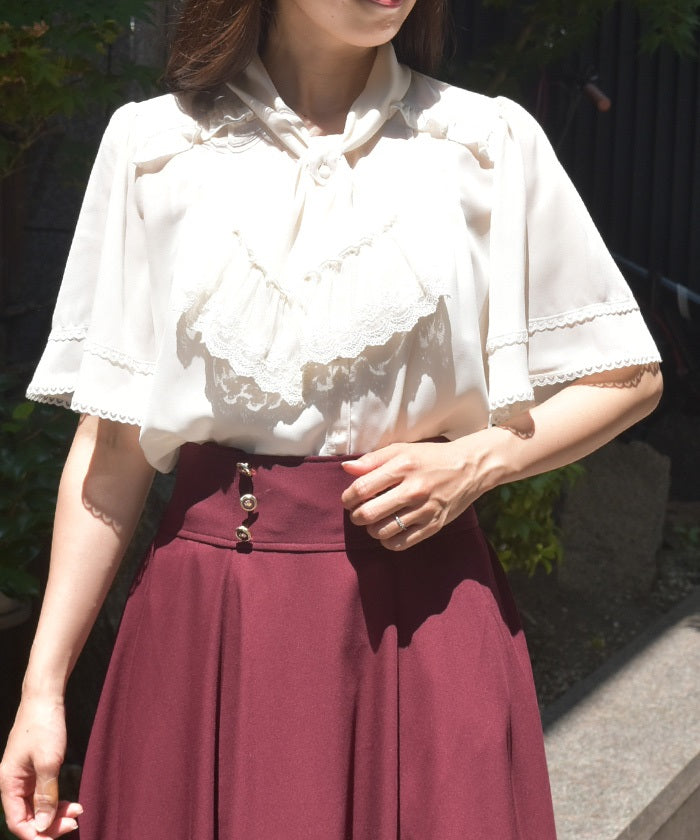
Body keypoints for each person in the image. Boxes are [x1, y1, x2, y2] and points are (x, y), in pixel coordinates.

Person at [0, 1, 662, 838]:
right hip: (207, 625)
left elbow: (628, 376)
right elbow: (112, 449)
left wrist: (478, 462)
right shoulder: (154, 149)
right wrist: (41, 691)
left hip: (426, 620)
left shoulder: (484, 144)